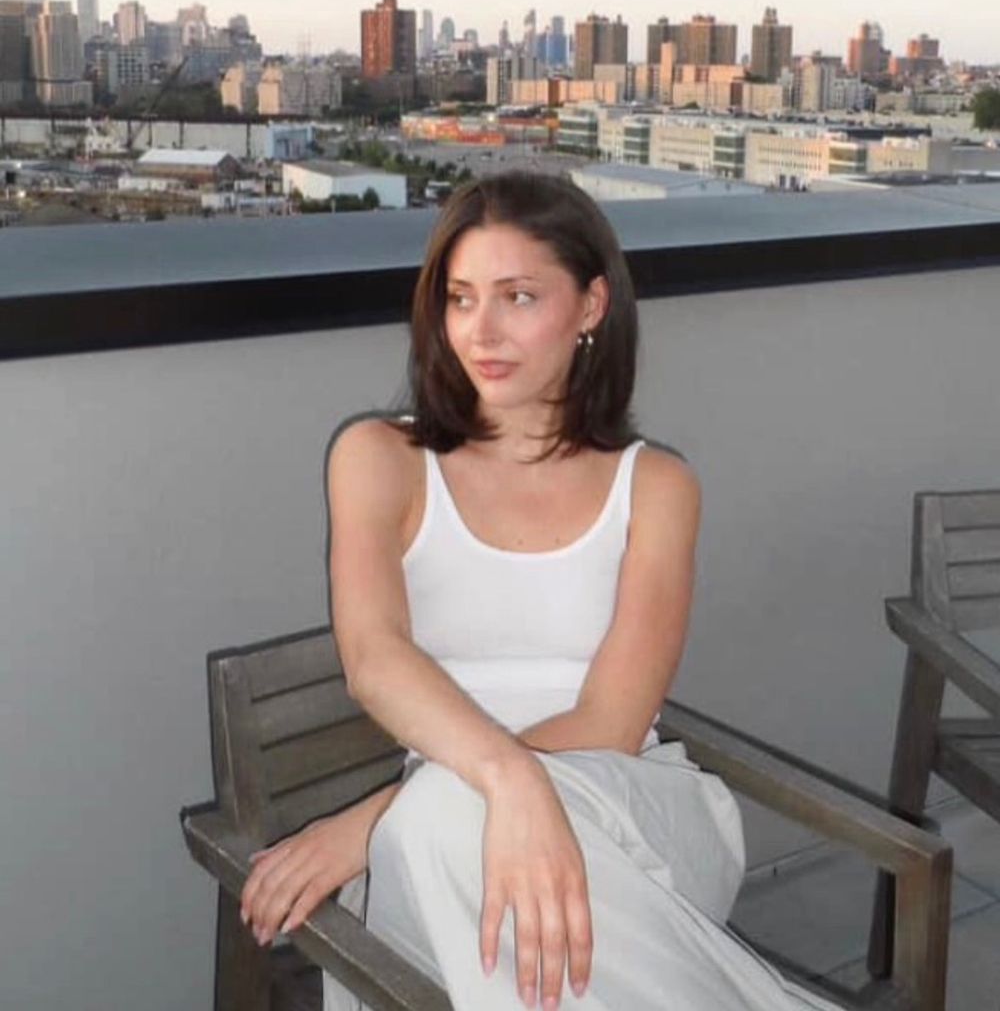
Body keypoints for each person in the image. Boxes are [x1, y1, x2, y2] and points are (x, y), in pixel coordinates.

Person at [240, 170, 844, 1011]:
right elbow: (373, 661)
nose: (479, 331)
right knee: (458, 836)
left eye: (518, 296)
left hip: (631, 819)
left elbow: (613, 724)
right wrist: (503, 783)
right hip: (445, 838)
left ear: (592, 307)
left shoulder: (657, 487)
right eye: (459, 297)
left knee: (447, 823)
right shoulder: (380, 459)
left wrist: (378, 821)